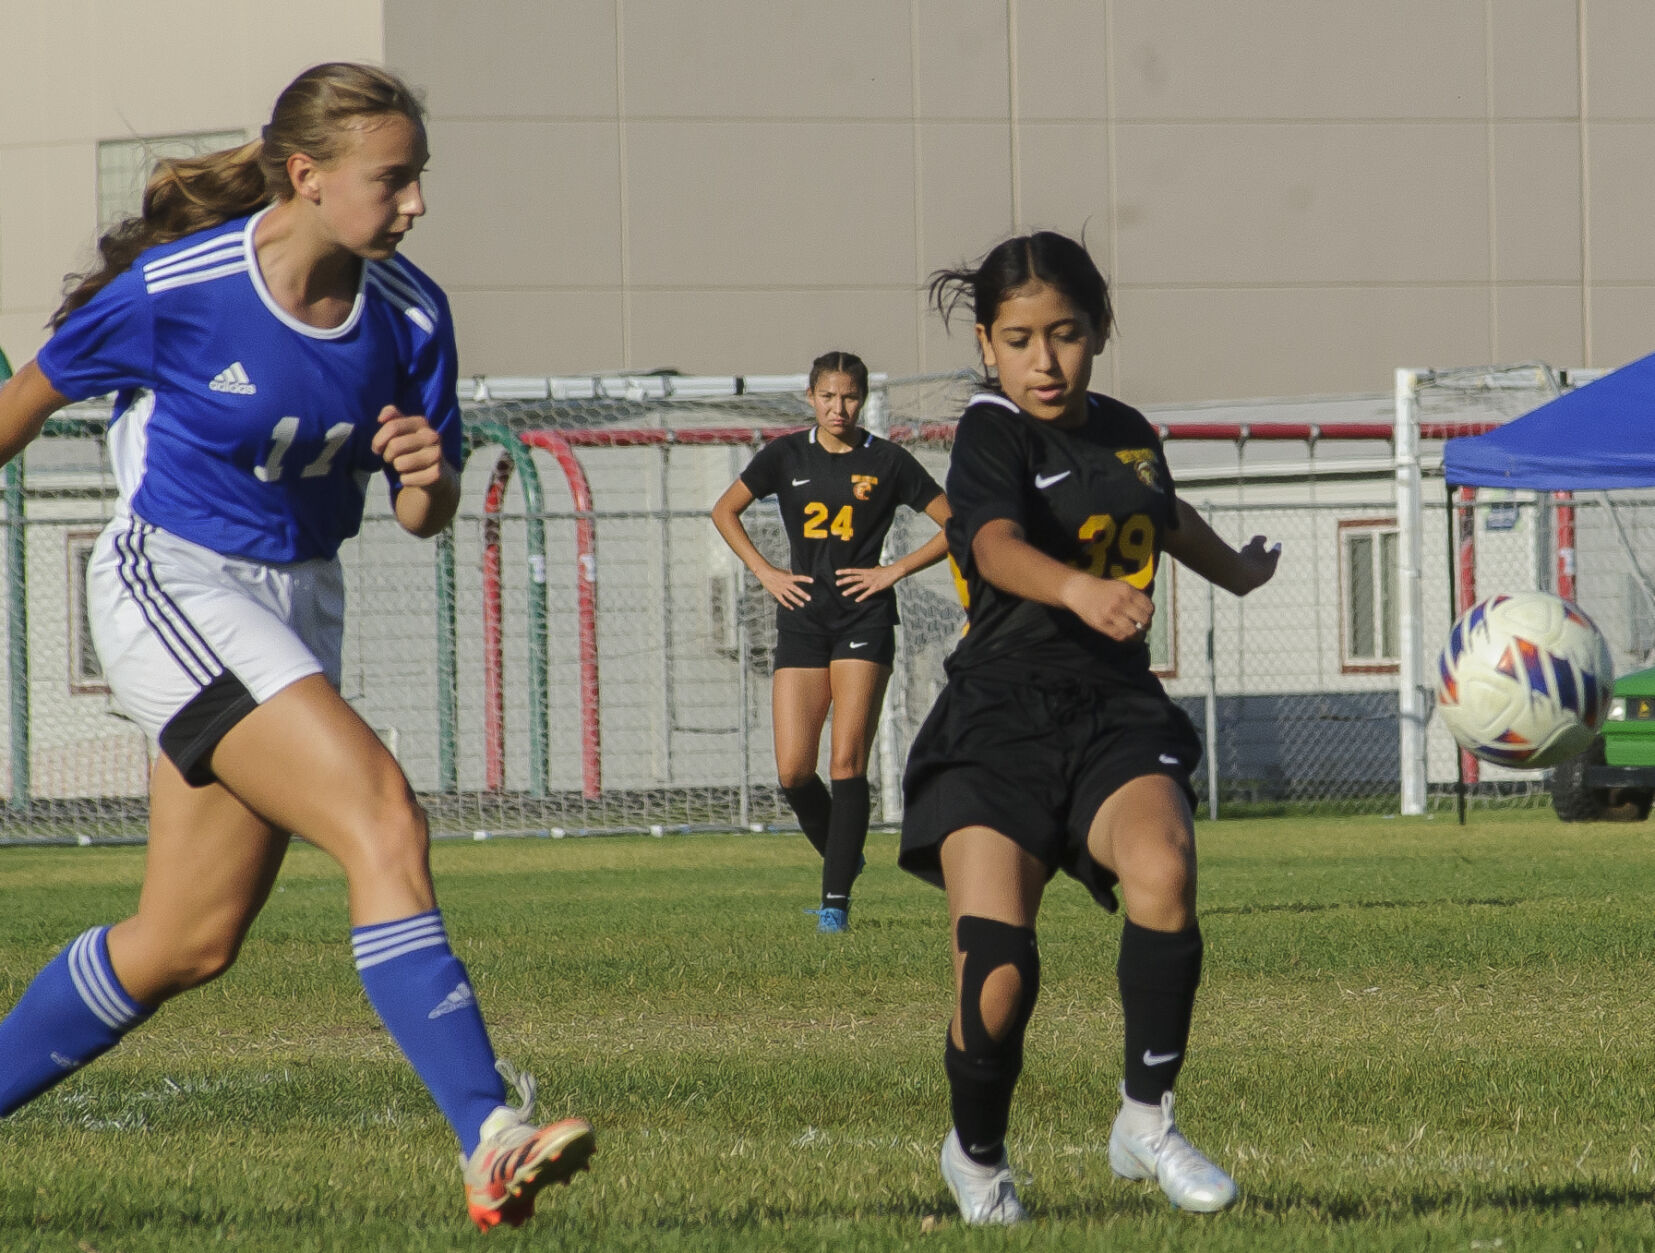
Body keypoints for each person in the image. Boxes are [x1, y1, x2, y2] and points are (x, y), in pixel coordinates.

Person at [0, 63, 593, 1231]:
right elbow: (20, 405)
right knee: (382, 816)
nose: (416, 202)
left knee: (185, 940)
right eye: (394, 178)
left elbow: (420, 513)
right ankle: (488, 1131)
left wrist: (428, 476)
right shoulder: (179, 289)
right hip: (172, 581)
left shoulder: (411, 312)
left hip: (298, 601)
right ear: (308, 174)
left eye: (419, 177)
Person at [900, 232, 1280, 1225]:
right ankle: (977, 1156)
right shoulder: (990, 433)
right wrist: (1075, 588)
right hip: (998, 718)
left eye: (1064, 334)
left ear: (1099, 330)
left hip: (1112, 707)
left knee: (1163, 867)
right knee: (996, 973)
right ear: (986, 345)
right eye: (1018, 339)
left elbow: (1159, 514)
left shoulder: (1126, 429)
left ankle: (1144, 1119)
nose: (1044, 360)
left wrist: (1238, 571)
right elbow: (990, 543)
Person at [711, 352, 951, 932]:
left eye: (849, 397)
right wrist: (766, 573)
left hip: (864, 621)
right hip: (802, 621)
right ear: (810, 398)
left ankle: (834, 906)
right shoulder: (785, 455)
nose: (838, 407)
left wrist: (894, 571)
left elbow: (959, 522)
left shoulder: (887, 460)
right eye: (827, 396)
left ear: (862, 399)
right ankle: (846, 854)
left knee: (846, 761)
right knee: (794, 771)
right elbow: (724, 511)